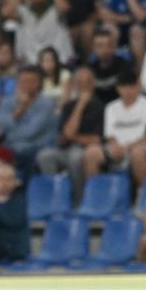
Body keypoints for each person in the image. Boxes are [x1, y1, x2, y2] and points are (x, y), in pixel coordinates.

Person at [84, 69, 146, 190]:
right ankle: (95, 192)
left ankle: (143, 192)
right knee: (91, 152)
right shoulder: (111, 107)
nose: (127, 91)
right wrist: (115, 146)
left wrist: (126, 147)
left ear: (138, 87)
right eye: (124, 87)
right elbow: (109, 135)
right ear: (118, 89)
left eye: (131, 86)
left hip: (141, 148)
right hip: (116, 149)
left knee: (137, 153)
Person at [36, 65, 103, 197]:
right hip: (64, 149)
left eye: (86, 83)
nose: (83, 86)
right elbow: (64, 135)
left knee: (75, 157)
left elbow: (96, 139)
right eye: (79, 83)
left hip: (86, 151)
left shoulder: (100, 106)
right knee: (44, 156)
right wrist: (79, 106)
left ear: (93, 84)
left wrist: (72, 136)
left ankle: (79, 198)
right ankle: (56, 196)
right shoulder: (68, 106)